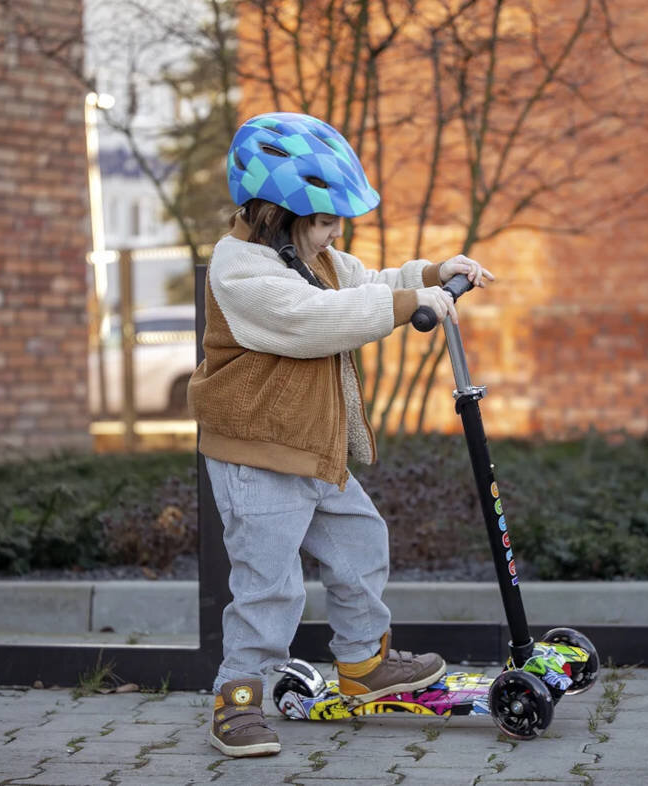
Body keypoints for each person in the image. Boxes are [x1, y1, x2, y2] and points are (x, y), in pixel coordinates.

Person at [188, 111, 494, 758]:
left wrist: (433, 276)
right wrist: (402, 309)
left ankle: (363, 663)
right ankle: (236, 696)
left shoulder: (315, 257)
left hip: (314, 448)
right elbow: (316, 320)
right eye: (322, 221)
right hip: (260, 456)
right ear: (272, 214)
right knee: (270, 583)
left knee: (360, 543)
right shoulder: (241, 272)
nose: (333, 235)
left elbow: (369, 283)